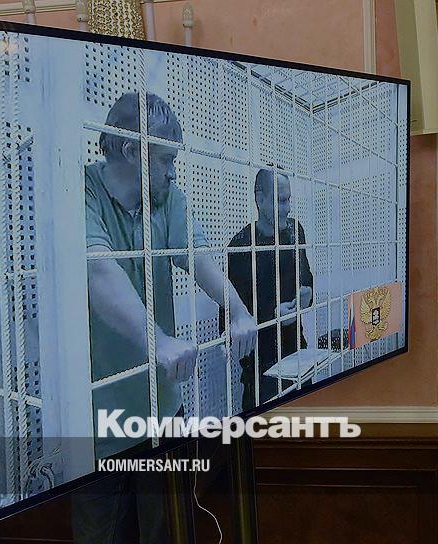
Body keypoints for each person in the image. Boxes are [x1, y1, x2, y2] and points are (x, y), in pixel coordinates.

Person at [73, 92, 256, 544]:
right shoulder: (81, 190)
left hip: (163, 409)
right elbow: (98, 272)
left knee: (169, 534)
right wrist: (159, 341)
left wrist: (237, 309)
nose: (174, 172)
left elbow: (198, 258)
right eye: (166, 159)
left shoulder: (167, 198)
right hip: (98, 424)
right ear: (131, 150)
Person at [224, 167, 314, 411]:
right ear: (259, 199)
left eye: (289, 200)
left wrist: (306, 296)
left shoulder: (295, 231)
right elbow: (228, 322)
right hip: (261, 372)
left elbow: (307, 280)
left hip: (298, 357)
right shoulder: (240, 246)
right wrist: (272, 317)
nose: (288, 208)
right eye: (280, 201)